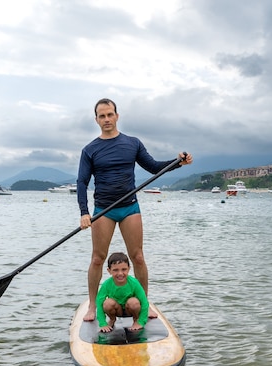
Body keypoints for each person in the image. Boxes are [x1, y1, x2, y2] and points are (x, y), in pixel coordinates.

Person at [77, 98, 193, 322]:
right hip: (103, 210)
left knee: (138, 257)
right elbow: (81, 182)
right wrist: (84, 212)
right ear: (96, 120)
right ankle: (92, 306)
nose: (107, 119)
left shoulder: (132, 143)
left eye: (110, 114)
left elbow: (153, 167)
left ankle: (144, 303)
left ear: (117, 116)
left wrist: (177, 162)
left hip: (130, 207)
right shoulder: (90, 150)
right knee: (97, 259)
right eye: (102, 116)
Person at [96, 252, 148, 332]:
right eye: (115, 270)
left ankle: (136, 320)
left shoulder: (134, 283)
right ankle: (112, 320)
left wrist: (141, 321)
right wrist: (102, 323)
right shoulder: (106, 284)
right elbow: (99, 304)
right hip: (117, 310)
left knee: (133, 302)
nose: (120, 273)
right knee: (107, 303)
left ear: (129, 269)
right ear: (109, 271)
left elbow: (144, 302)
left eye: (124, 269)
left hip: (130, 309)